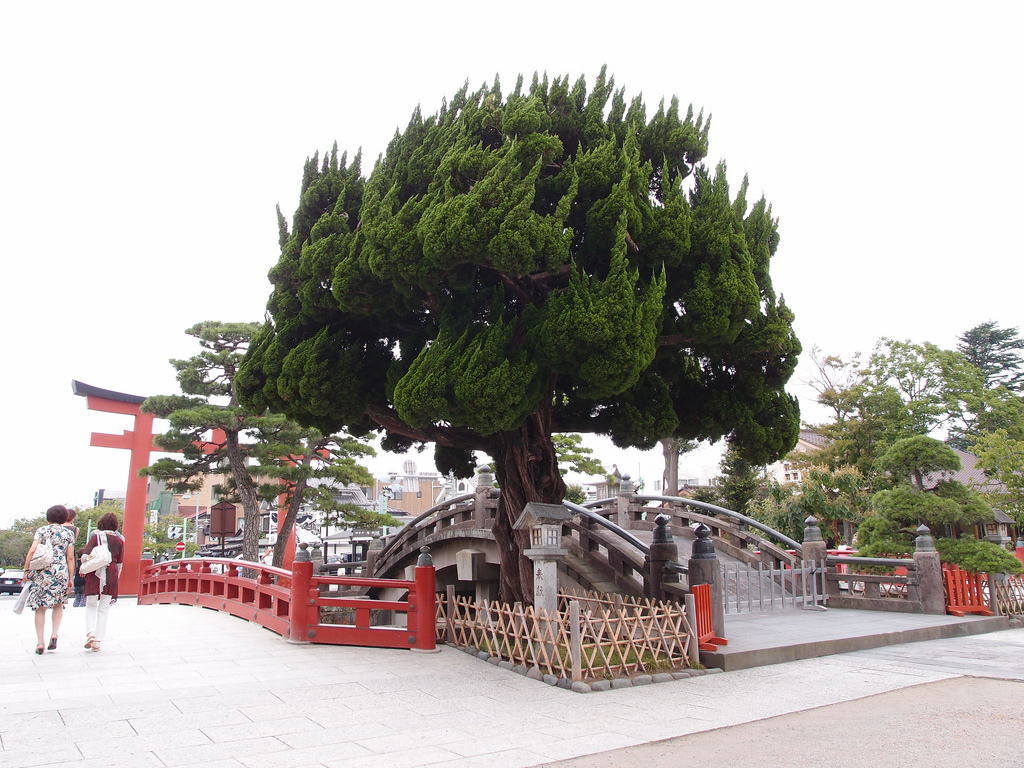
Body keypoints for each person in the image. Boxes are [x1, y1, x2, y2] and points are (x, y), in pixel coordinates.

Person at [22, 505, 77, 655]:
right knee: (58, 604)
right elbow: (70, 557)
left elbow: (33, 550)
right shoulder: (68, 533)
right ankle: (54, 633)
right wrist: (70, 577)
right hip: (60, 572)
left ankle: (40, 642)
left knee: (40, 608)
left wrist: (26, 570)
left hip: (42, 572)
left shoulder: (42, 531)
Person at [82, 512, 124, 652]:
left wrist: (85, 566)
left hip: (95, 573)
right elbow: (120, 563)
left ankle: (90, 633)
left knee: (91, 605)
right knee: (104, 608)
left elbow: (84, 556)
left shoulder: (96, 537)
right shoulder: (119, 541)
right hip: (111, 574)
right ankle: (98, 641)